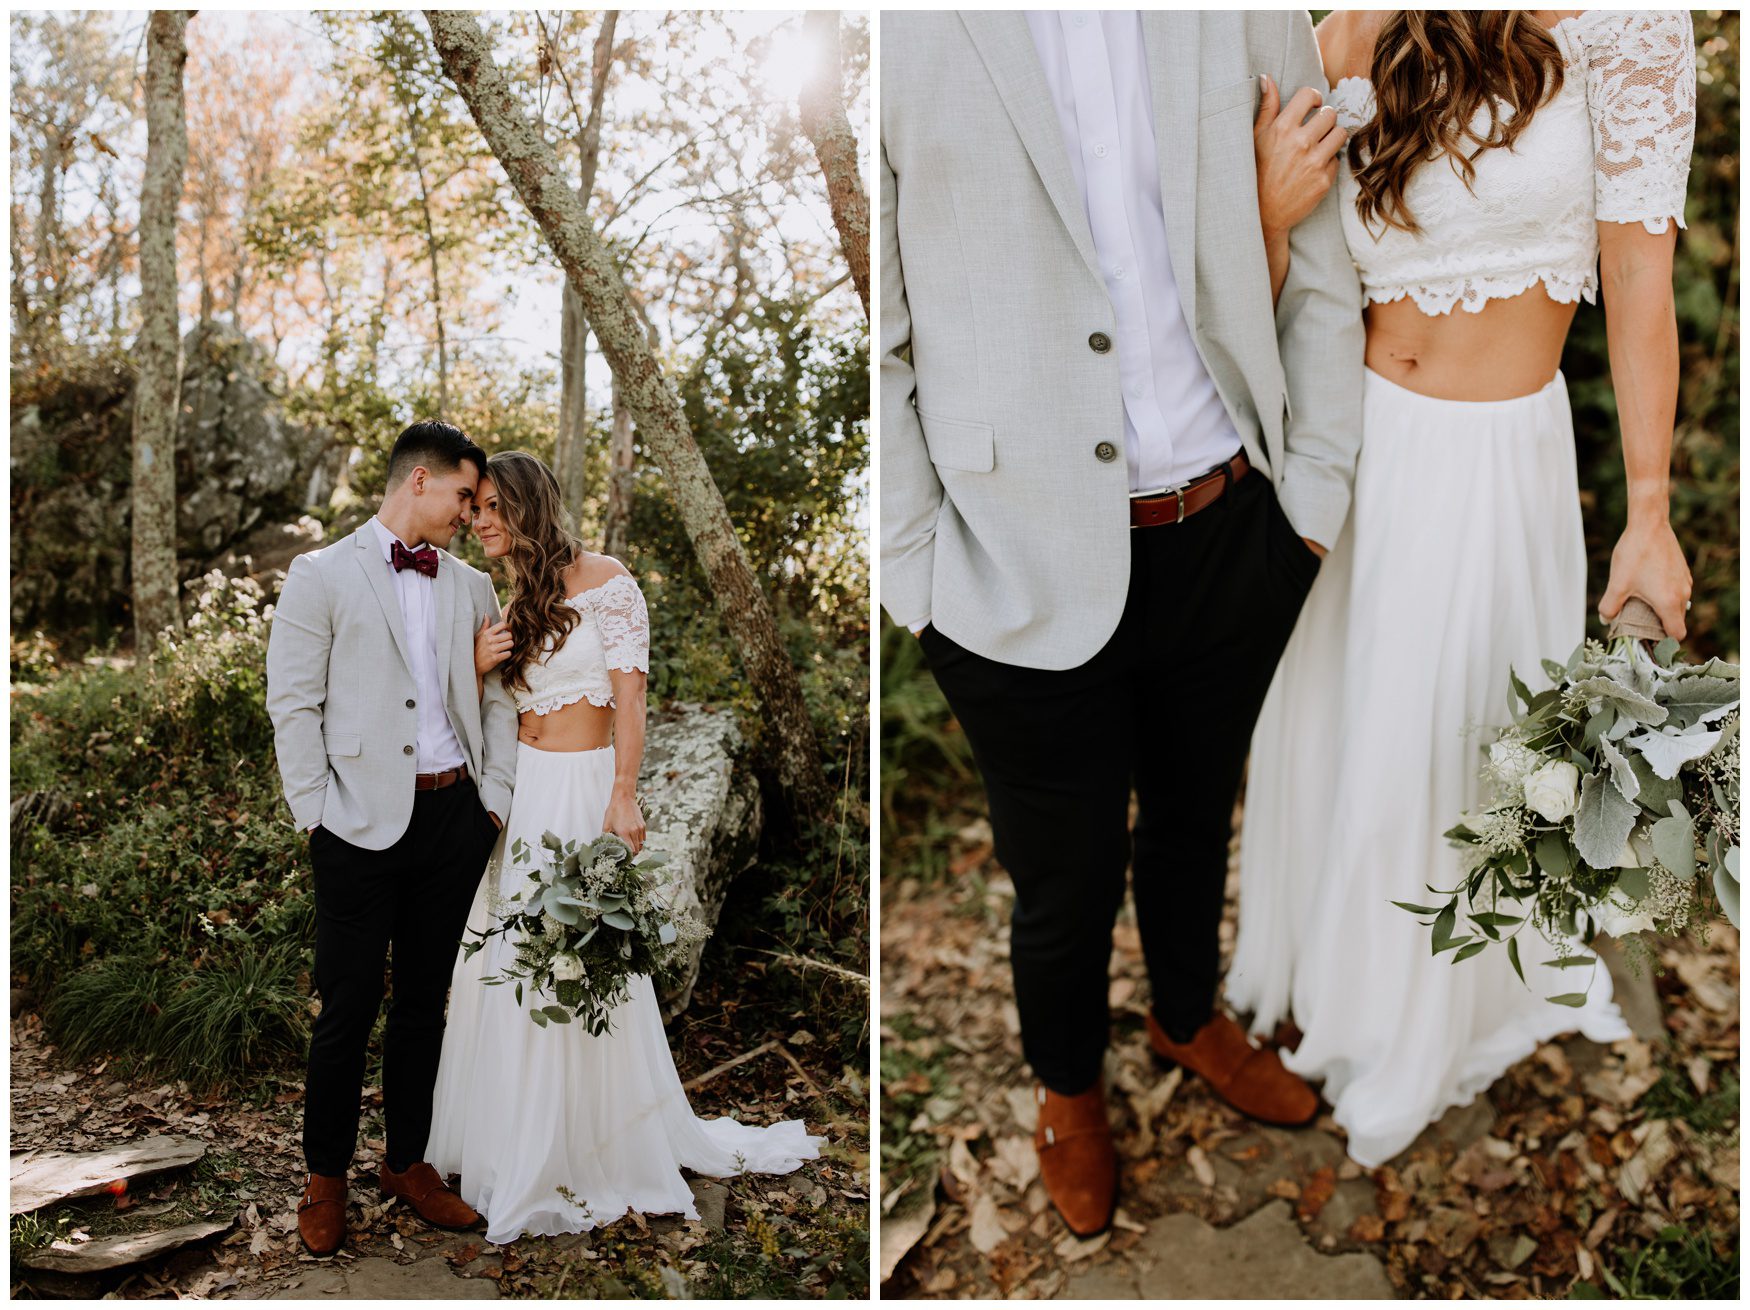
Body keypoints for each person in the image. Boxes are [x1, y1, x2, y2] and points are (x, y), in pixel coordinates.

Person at [880, 10, 1362, 1236]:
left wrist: (1309, 492)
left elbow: (1318, 256)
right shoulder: (895, 34)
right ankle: (1071, 1090)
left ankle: (1185, 1013)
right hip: (1009, 560)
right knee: (1065, 873)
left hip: (1228, 524)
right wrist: (914, 568)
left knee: (1198, 815)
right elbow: (877, 329)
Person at [1230, 9, 1695, 1168]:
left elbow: (1639, 274)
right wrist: (1265, 214)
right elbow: (1262, 273)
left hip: (1500, 464)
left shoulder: (1629, 24)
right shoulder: (1349, 30)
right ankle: (1336, 984)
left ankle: (1434, 1007)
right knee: (1352, 743)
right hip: (1358, 454)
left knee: (1460, 748)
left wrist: (1649, 510)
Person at [427, 450, 821, 1243]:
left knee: (576, 956)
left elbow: (631, 694)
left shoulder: (610, 582)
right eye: (474, 508)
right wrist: (473, 670)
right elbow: (488, 710)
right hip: (525, 791)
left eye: (494, 505)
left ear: (533, 504)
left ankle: (588, 1147)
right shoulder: (513, 596)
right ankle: (507, 1145)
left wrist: (624, 790)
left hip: (581, 790)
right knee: (502, 961)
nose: (479, 520)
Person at [266, 419, 518, 1254]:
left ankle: (406, 1164)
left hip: (454, 819)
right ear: (419, 481)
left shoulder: (471, 587)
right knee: (346, 1006)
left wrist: (495, 802)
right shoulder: (320, 573)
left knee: (423, 1006)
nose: (468, 512)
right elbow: (293, 703)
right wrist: (315, 815)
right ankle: (324, 1177)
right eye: (462, 495)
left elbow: (496, 702)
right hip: (356, 823)